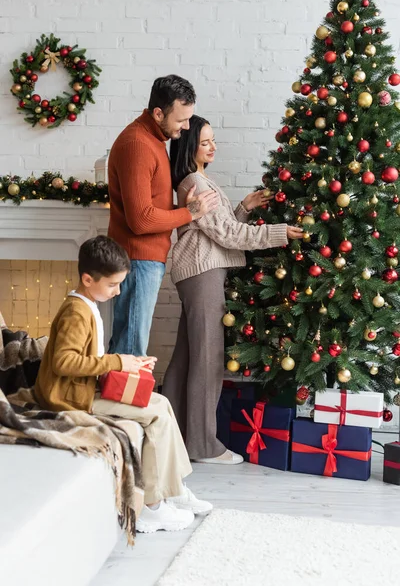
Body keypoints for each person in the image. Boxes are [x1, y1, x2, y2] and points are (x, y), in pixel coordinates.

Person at [35, 235, 212, 533]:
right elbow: (64, 363)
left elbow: (92, 356)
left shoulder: (88, 304)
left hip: (84, 387)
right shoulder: (76, 312)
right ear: (88, 279)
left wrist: (129, 362)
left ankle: (174, 488)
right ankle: (152, 507)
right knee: (154, 414)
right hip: (70, 397)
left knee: (161, 403)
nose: (118, 292)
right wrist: (119, 363)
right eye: (112, 285)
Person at [162, 116, 304, 465]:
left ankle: (173, 436)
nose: (213, 147)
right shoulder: (195, 182)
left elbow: (218, 231)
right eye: (206, 141)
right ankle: (202, 446)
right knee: (208, 360)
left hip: (200, 271)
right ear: (189, 145)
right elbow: (228, 237)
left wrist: (242, 208)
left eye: (213, 141)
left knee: (186, 358)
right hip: (204, 274)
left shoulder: (198, 180)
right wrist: (278, 232)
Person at [107, 75, 219, 357]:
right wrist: (190, 213)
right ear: (158, 113)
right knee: (130, 348)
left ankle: (121, 399)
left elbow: (151, 202)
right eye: (181, 120)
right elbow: (141, 219)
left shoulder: (155, 139)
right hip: (137, 259)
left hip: (146, 258)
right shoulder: (138, 145)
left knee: (129, 342)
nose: (185, 126)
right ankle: (123, 401)